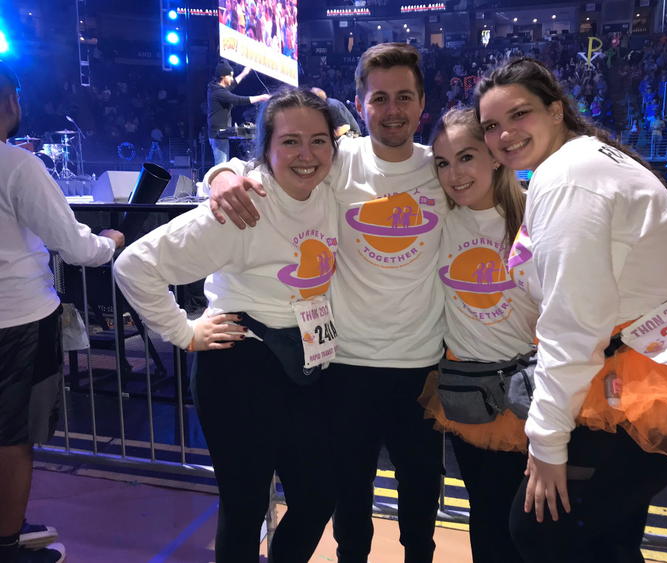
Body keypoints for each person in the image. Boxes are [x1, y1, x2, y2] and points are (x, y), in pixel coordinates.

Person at [474, 57, 667, 562]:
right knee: (608, 539)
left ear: (556, 111)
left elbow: (574, 322)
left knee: (538, 530)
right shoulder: (586, 161)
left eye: (519, 115)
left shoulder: (567, 180)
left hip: (631, 377)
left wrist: (547, 442)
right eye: (492, 126)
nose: (504, 134)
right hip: (652, 364)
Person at [207, 43, 448, 563]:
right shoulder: (338, 163)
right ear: (359, 105)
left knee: (422, 494)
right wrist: (222, 175)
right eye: (379, 98)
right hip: (346, 363)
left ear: (422, 102)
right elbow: (266, 165)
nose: (392, 110)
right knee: (347, 494)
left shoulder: (441, 170)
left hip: (421, 362)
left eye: (404, 96)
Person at [114, 89, 339, 563]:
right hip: (241, 366)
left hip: (309, 362)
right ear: (267, 149)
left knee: (318, 496)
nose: (307, 154)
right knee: (245, 506)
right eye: (291, 142)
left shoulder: (331, 190)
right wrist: (183, 332)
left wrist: (223, 170)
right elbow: (134, 265)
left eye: (319, 141)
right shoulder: (243, 207)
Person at [0, 59, 124, 563]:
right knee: (12, 438)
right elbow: (75, 246)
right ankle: (7, 545)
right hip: (18, 321)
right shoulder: (17, 165)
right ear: (11, 104)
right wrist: (111, 241)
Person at [420, 107, 538, 563]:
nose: (454, 174)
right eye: (443, 163)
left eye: (466, 157)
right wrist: (225, 170)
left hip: (538, 391)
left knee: (537, 524)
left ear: (494, 156)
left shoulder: (539, 211)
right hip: (471, 397)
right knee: (488, 518)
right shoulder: (437, 220)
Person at [207, 59, 271, 165]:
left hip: (220, 133)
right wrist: (262, 97)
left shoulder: (216, 87)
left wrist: (244, 73)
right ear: (223, 76)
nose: (232, 79)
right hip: (217, 134)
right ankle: (217, 181)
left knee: (223, 163)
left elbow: (232, 85)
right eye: (230, 76)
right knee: (221, 164)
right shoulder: (218, 92)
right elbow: (239, 100)